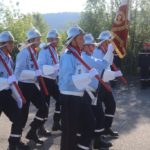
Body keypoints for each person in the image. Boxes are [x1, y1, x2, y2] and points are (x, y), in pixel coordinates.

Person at [59, 26, 97, 150]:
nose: (83, 41)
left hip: (79, 96)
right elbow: (68, 81)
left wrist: (90, 92)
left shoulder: (77, 54)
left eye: (82, 38)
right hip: (69, 97)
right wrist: (87, 76)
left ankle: (82, 147)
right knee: (69, 132)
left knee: (90, 123)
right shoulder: (67, 56)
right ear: (73, 40)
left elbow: (79, 78)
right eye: (80, 38)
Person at [82, 33, 122, 149]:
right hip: (89, 91)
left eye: (92, 45)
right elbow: (103, 67)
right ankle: (90, 141)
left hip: (94, 89)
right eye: (89, 46)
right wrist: (114, 74)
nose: (92, 48)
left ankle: (96, 139)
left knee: (99, 114)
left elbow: (105, 66)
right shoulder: (88, 56)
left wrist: (112, 75)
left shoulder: (89, 55)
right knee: (95, 117)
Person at [15, 27, 48, 145]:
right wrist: (34, 73)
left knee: (44, 108)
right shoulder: (23, 53)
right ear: (32, 39)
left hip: (32, 85)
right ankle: (16, 140)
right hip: (24, 86)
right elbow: (18, 73)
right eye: (38, 39)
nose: (40, 41)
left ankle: (33, 131)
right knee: (23, 115)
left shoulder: (34, 51)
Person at [0, 31, 29, 150]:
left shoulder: (9, 58)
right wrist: (7, 81)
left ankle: (14, 143)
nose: (12, 45)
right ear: (3, 44)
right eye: (10, 43)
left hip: (6, 94)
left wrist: (18, 97)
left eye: (12, 43)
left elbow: (12, 80)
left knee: (18, 117)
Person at [93, 30, 122, 138]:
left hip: (105, 83)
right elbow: (101, 71)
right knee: (98, 111)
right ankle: (97, 134)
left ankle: (106, 128)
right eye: (108, 42)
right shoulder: (96, 52)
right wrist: (114, 74)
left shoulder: (106, 51)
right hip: (97, 84)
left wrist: (113, 74)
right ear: (103, 42)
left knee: (111, 105)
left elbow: (107, 65)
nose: (110, 44)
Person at [38, 29, 61, 135]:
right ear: (50, 40)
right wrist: (53, 68)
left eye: (57, 39)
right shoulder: (45, 50)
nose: (57, 41)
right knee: (45, 105)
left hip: (53, 80)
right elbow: (41, 67)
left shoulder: (54, 50)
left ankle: (56, 122)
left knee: (61, 100)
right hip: (45, 81)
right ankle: (40, 127)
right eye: (56, 39)